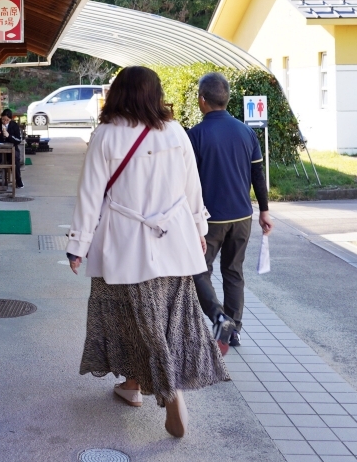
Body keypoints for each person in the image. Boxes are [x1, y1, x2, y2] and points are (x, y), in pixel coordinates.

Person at [65, 66, 228, 439]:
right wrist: (198, 230)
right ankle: (135, 384)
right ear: (156, 94)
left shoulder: (105, 134)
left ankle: (165, 390)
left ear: (119, 93)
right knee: (167, 319)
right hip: (174, 242)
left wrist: (78, 245)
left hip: (124, 247)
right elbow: (192, 188)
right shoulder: (174, 131)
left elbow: (90, 195)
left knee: (130, 321)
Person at [187, 72, 273, 355]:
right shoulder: (246, 132)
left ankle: (220, 319)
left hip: (210, 220)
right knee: (233, 272)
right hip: (242, 216)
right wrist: (265, 210)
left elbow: (185, 181)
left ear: (202, 100)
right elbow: (257, 174)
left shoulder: (195, 136)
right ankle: (233, 330)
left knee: (200, 270)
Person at [0, 108, 24, 188]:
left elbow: (18, 140)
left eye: (7, 120)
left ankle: (18, 180)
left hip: (11, 148)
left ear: (10, 119)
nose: (5, 122)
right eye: (3, 120)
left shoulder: (14, 125)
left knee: (15, 159)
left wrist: (9, 136)